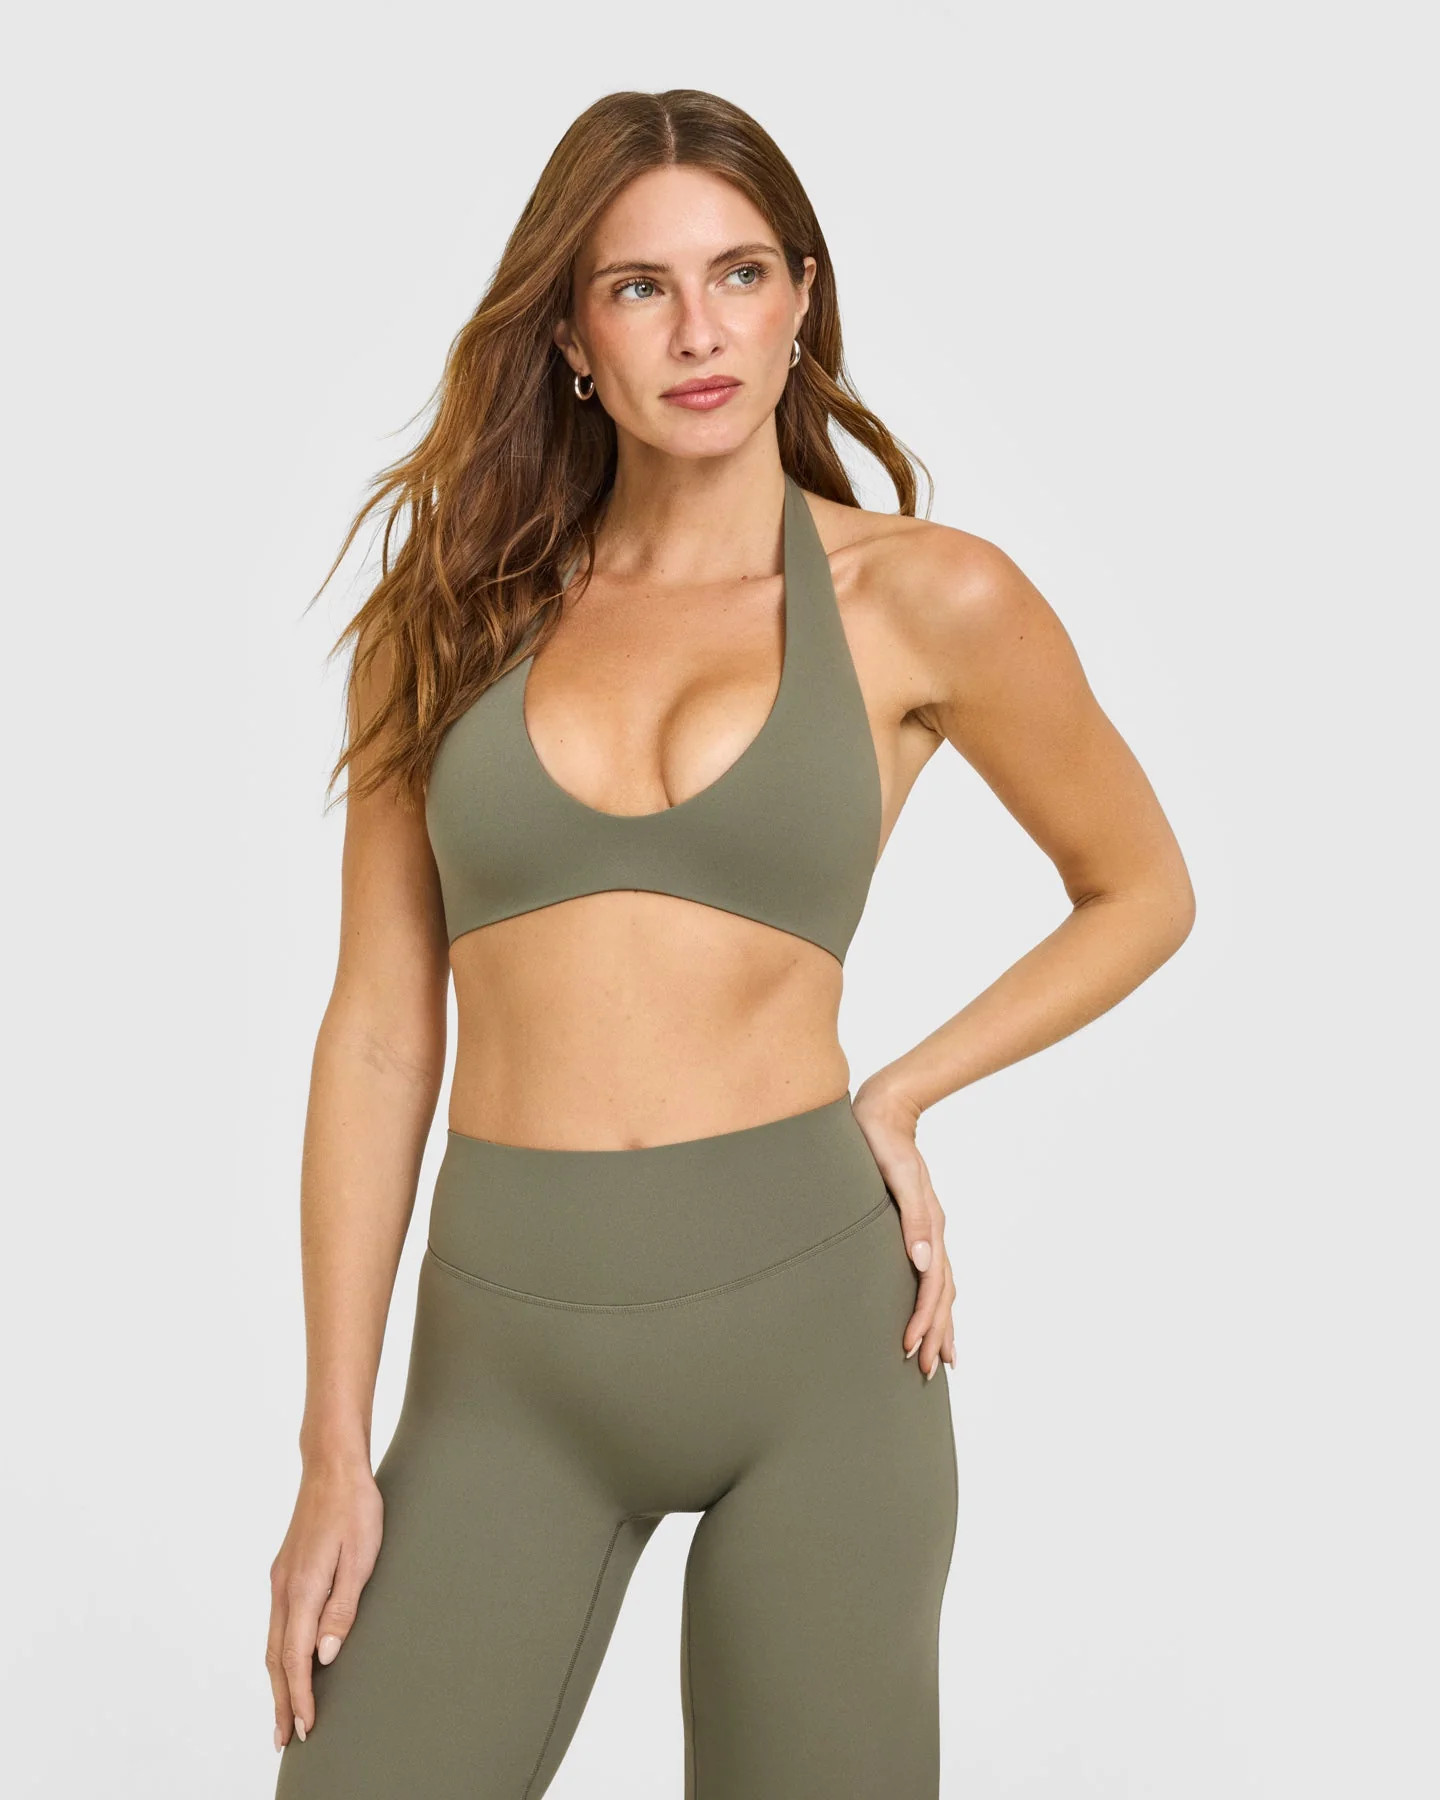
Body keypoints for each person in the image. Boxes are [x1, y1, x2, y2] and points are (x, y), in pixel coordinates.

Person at [266, 86, 1195, 1800]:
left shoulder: (927, 598)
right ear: (569, 335)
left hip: (819, 1347)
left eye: (741, 273)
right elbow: (382, 1030)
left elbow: (1141, 888)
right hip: (505, 1368)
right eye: (639, 286)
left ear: (800, 302)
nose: (698, 331)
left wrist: (901, 1092)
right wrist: (335, 1438)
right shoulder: (446, 617)